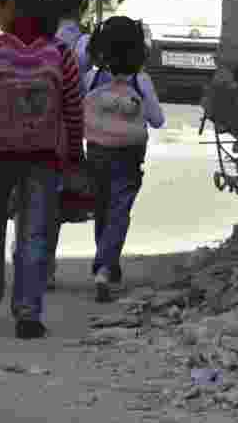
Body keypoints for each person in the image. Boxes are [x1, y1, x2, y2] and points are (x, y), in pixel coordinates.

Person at [0, 0, 84, 339]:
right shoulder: (60, 52)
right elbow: (72, 107)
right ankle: (28, 312)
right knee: (34, 233)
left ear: (11, 5)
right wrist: (73, 152)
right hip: (45, 157)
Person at [83, 17, 165, 302]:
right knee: (119, 211)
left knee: (102, 209)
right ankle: (105, 265)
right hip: (128, 157)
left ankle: (107, 262)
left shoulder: (91, 79)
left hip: (95, 154)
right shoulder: (140, 81)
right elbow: (157, 120)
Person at [45, 0, 95, 288]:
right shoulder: (83, 44)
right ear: (83, 7)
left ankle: (31, 256)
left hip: (29, 124)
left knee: (31, 197)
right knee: (54, 199)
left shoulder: (38, 36)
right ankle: (45, 263)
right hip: (65, 129)